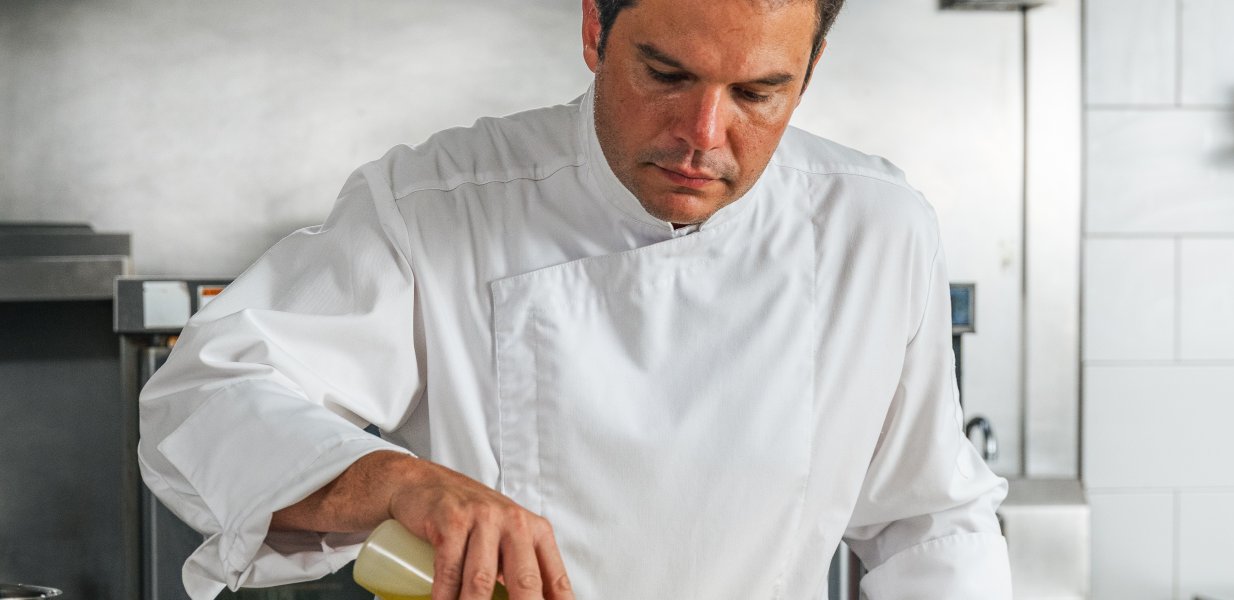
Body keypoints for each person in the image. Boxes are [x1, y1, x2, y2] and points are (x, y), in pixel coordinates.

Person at [138, 0, 1012, 598]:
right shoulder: (441, 202)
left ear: (811, 68)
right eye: (666, 75)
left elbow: (927, 518)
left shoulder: (876, 226)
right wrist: (396, 480)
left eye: (757, 93)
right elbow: (204, 400)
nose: (703, 138)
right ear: (596, 27)